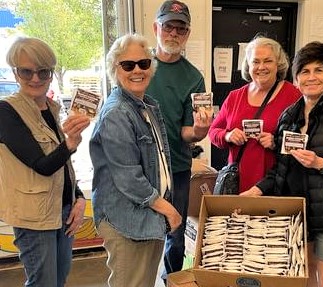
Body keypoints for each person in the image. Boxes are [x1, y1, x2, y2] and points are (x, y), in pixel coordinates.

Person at [241, 41, 323, 287]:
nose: (311, 77)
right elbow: (281, 169)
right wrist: (257, 189)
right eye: (304, 71)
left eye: (319, 70)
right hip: (299, 216)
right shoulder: (288, 116)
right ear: (296, 77)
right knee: (305, 283)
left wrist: (320, 163)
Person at [89, 33, 182, 287]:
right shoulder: (117, 113)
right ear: (114, 70)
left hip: (147, 218)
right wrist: (168, 209)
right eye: (128, 65)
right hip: (127, 221)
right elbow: (129, 177)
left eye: (143, 63)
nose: (137, 70)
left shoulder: (145, 105)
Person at [0, 37, 90, 287]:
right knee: (43, 282)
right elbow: (42, 165)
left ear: (51, 74)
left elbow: (64, 166)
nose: (35, 78)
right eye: (26, 71)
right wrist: (71, 142)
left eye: (43, 71)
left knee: (59, 279)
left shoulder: (51, 109)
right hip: (34, 218)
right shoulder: (6, 111)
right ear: (15, 73)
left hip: (63, 211)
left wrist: (79, 197)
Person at [146, 0, 213, 280]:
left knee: (176, 231)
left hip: (177, 167)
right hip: (141, 167)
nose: (173, 34)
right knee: (143, 230)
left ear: (187, 34)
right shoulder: (138, 66)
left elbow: (188, 130)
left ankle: (171, 280)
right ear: (156, 28)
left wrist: (199, 130)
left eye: (180, 29)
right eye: (167, 27)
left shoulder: (194, 78)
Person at [208, 36, 301, 193]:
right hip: (238, 183)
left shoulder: (293, 96)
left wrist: (276, 142)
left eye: (268, 61)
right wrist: (227, 135)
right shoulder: (234, 97)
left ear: (278, 64)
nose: (261, 67)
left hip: (276, 185)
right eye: (256, 61)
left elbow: (304, 140)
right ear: (248, 65)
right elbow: (213, 132)